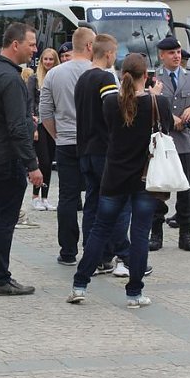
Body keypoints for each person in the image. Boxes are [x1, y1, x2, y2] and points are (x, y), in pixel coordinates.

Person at [66, 53, 172, 306]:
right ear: (145, 76)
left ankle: (80, 284)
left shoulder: (111, 103)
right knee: (139, 233)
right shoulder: (159, 103)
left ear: (123, 74)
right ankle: (134, 292)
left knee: (100, 230)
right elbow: (165, 130)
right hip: (146, 177)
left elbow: (111, 128)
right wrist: (155, 95)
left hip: (114, 174)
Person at [0, 22, 42, 295]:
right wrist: (32, 164)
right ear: (16, 44)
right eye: (32, 44)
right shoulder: (11, 78)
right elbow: (16, 127)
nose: (34, 50)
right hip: (6, 156)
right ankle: (0, 278)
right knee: (4, 217)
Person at [39, 27, 95, 265]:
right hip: (94, 143)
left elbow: (44, 112)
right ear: (90, 46)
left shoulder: (54, 74)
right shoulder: (102, 72)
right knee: (95, 196)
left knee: (67, 197)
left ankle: (68, 251)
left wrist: (56, 135)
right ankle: (94, 250)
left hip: (65, 141)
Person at [74, 34, 129, 276]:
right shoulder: (105, 77)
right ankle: (124, 256)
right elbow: (111, 110)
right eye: (114, 54)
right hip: (103, 150)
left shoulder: (83, 78)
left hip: (84, 149)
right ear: (108, 54)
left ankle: (94, 256)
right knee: (115, 203)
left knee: (92, 204)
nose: (114, 58)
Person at [149, 36, 190, 252]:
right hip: (163, 142)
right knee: (158, 188)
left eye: (178, 52)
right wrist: (168, 117)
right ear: (162, 56)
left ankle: (186, 233)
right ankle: (156, 233)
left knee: (187, 188)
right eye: (171, 53)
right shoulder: (154, 79)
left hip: (186, 143)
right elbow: (149, 104)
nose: (176, 56)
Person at [28, 48, 58, 211]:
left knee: (50, 161)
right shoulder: (34, 79)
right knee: (44, 161)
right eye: (45, 59)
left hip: (53, 123)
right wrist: (33, 127)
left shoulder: (57, 77)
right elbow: (30, 102)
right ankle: (35, 196)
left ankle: (45, 197)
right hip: (39, 123)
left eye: (51, 59)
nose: (48, 62)